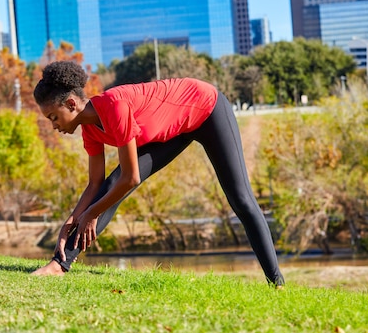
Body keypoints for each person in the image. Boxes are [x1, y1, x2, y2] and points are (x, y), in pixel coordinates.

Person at [31, 61, 284, 286]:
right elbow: (96, 183)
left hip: (206, 107)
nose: (54, 125)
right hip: (174, 129)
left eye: (54, 117)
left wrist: (91, 212)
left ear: (72, 104)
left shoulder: (114, 107)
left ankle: (277, 283)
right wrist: (72, 219)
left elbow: (132, 178)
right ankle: (59, 265)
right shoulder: (90, 130)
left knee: (241, 200)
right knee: (111, 185)